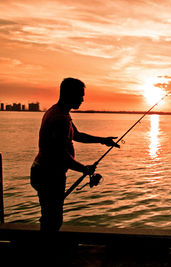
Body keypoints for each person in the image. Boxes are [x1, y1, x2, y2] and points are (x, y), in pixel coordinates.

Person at [30, 77, 119, 232]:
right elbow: (61, 156)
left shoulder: (62, 113)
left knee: (50, 216)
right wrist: (84, 169)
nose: (83, 99)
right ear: (69, 94)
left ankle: (45, 248)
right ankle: (45, 252)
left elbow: (76, 135)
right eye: (80, 95)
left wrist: (103, 140)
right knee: (53, 219)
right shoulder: (59, 118)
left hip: (46, 172)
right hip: (48, 175)